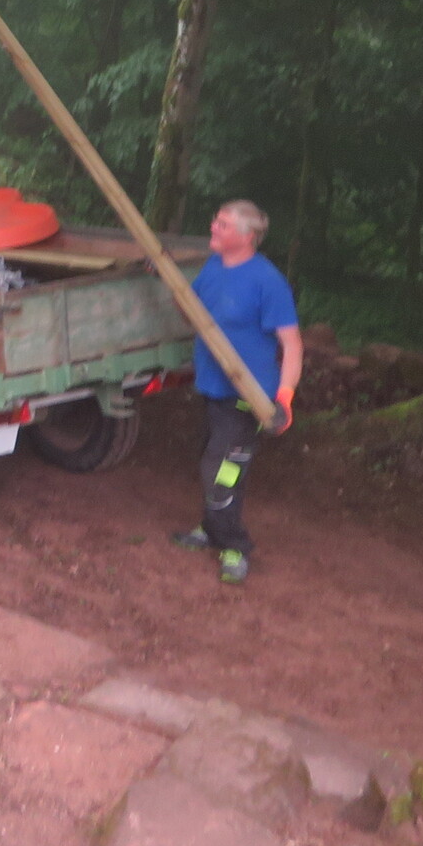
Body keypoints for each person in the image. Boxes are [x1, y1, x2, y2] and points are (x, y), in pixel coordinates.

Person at [168, 199, 301, 586]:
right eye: (216, 220)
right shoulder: (213, 267)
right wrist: (171, 282)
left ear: (246, 236)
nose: (213, 227)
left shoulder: (267, 281)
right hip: (213, 388)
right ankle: (212, 528)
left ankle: (235, 546)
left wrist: (285, 397)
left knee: (222, 472)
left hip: (249, 398)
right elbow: (192, 315)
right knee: (213, 461)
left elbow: (292, 344)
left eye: (223, 224)